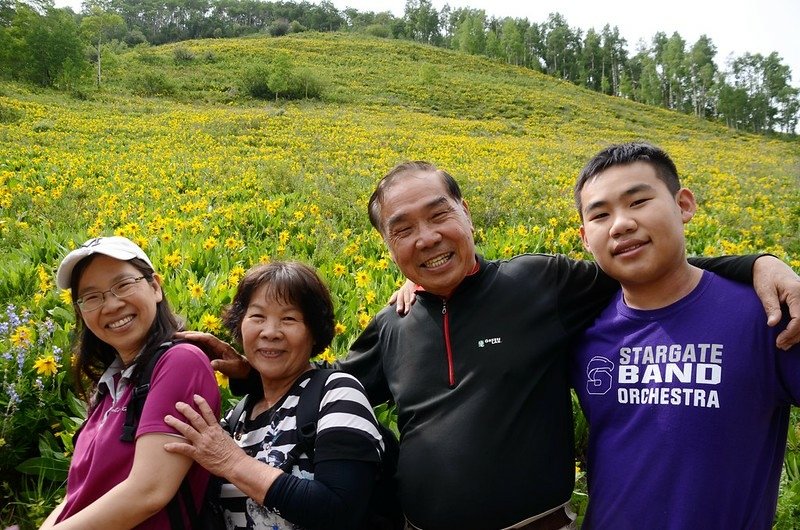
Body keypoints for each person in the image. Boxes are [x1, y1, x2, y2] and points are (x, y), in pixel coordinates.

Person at [202, 161, 800, 530]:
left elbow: (647, 265)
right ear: (388, 246)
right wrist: (248, 372)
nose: (426, 237)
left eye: (439, 215)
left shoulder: (541, 282)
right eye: (401, 229)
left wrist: (755, 263)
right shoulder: (393, 323)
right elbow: (327, 385)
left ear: (466, 214)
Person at [570, 142, 800, 528]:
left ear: (684, 205)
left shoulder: (766, 314)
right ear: (584, 238)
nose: (621, 224)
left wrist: (767, 264)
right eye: (600, 215)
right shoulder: (583, 330)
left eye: (638, 201)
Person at [163, 261, 385, 530]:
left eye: (289, 319)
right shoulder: (238, 418)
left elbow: (339, 511)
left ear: (314, 332)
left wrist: (232, 462)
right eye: (257, 317)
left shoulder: (337, 392)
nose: (270, 332)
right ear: (240, 325)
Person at [41, 236, 221, 529]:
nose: (111, 305)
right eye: (92, 296)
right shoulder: (109, 389)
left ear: (155, 287)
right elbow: (74, 498)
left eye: (123, 285)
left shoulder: (180, 362)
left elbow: (148, 492)